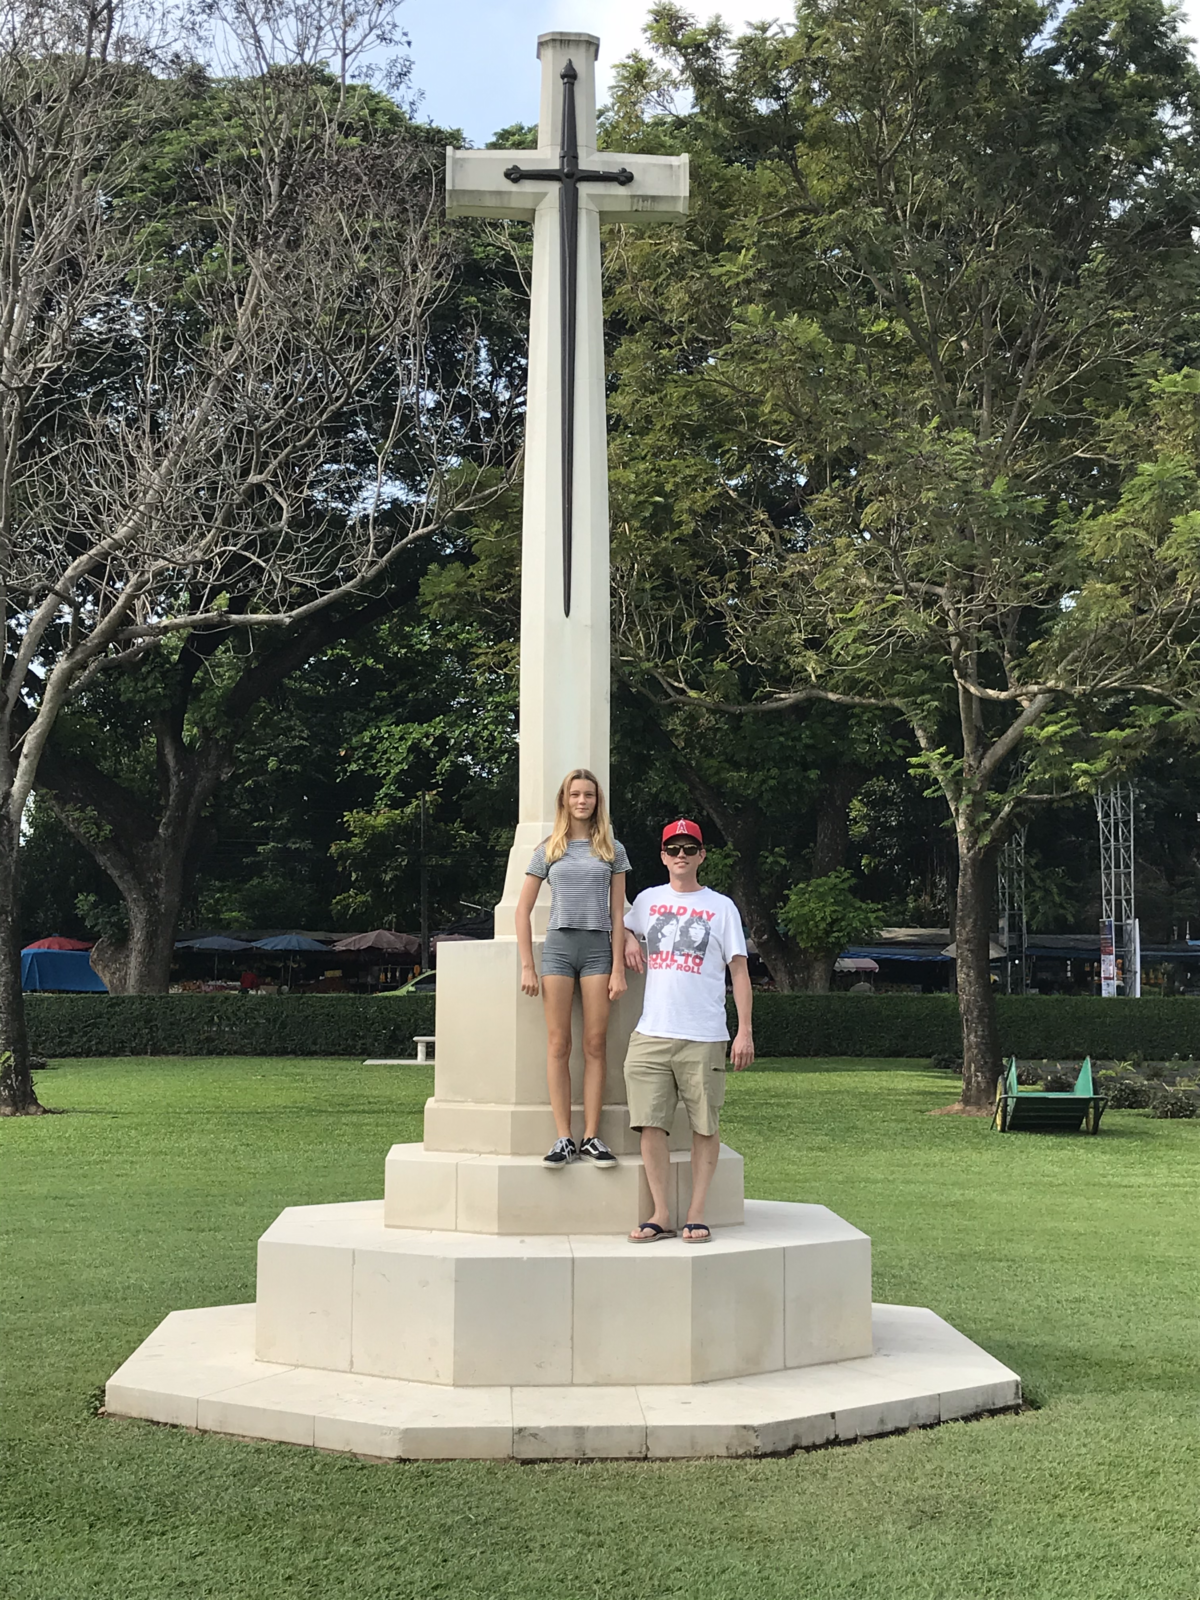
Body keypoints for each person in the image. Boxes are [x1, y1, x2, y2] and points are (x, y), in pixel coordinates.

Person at [622, 818, 754, 1243]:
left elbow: (739, 971)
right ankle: (660, 1212)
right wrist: (626, 938)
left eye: (689, 849)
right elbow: (621, 922)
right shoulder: (646, 901)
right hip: (651, 1032)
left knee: (704, 1126)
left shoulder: (722, 907)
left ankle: (697, 1212)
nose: (681, 856)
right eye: (673, 849)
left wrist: (745, 1030)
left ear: (701, 855)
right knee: (650, 1125)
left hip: (704, 1033)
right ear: (662, 856)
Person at [515, 768, 631, 1168]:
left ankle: (591, 1136)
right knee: (558, 1044)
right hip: (559, 949)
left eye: (589, 795)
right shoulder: (549, 848)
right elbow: (522, 910)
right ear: (564, 800)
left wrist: (618, 967)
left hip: (598, 947)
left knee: (595, 1045)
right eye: (575, 795)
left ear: (598, 801)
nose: (582, 801)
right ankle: (563, 1137)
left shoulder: (611, 849)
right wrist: (528, 965)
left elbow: (618, 912)